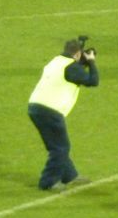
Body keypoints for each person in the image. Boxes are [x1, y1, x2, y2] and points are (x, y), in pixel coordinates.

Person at [28, 39, 99, 191]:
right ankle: (48, 182)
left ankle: (70, 175)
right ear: (78, 53)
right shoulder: (71, 67)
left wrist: (82, 63)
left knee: (56, 145)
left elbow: (71, 73)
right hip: (49, 110)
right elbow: (93, 81)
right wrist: (91, 62)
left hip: (35, 107)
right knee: (60, 148)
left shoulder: (56, 61)